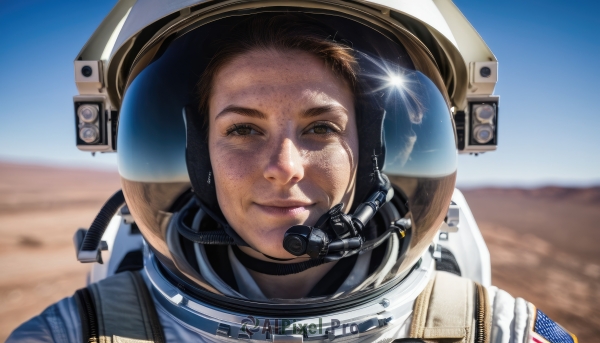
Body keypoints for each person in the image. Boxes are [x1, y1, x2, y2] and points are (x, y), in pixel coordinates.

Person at [9, 2, 577, 343]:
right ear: (199, 158)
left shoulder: (498, 329)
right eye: (243, 129)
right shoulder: (72, 334)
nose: (283, 168)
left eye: (321, 128)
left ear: (373, 153)